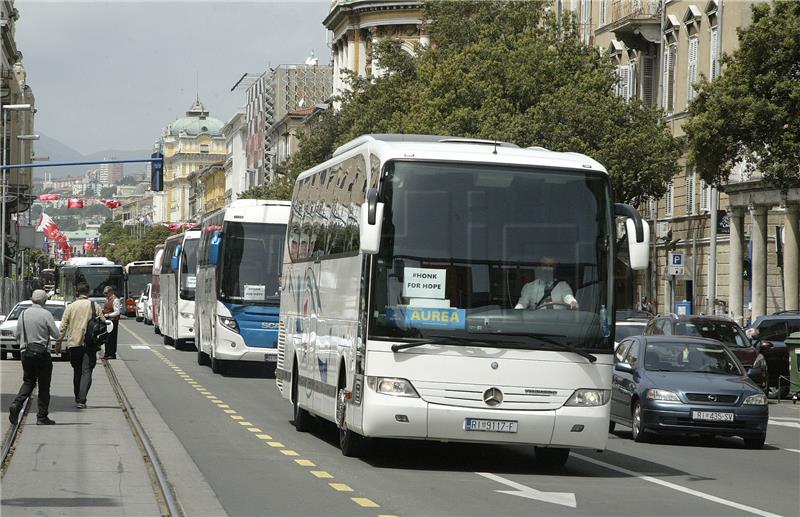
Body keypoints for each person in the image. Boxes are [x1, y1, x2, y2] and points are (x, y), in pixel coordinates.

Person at [8, 290, 60, 425]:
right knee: (44, 386)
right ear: (44, 301)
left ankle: (17, 403)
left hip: (26, 353)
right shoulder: (46, 314)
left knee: (28, 381)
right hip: (43, 354)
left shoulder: (23, 314)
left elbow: (17, 334)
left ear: (32, 300)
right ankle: (42, 417)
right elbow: (56, 334)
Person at [58, 282, 105, 409]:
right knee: (87, 371)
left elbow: (63, 327)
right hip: (89, 344)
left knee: (77, 370)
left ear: (77, 293)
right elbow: (103, 323)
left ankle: (77, 396)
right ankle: (81, 399)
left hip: (74, 343)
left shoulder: (71, 307)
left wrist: (58, 343)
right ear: (88, 292)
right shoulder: (94, 306)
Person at [102, 285, 121, 359]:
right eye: (104, 293)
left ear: (111, 292)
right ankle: (107, 353)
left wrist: (108, 315)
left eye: (106, 293)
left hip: (113, 321)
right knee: (107, 337)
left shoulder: (115, 300)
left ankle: (112, 353)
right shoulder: (107, 299)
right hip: (107, 321)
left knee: (112, 337)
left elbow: (117, 312)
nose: (105, 295)